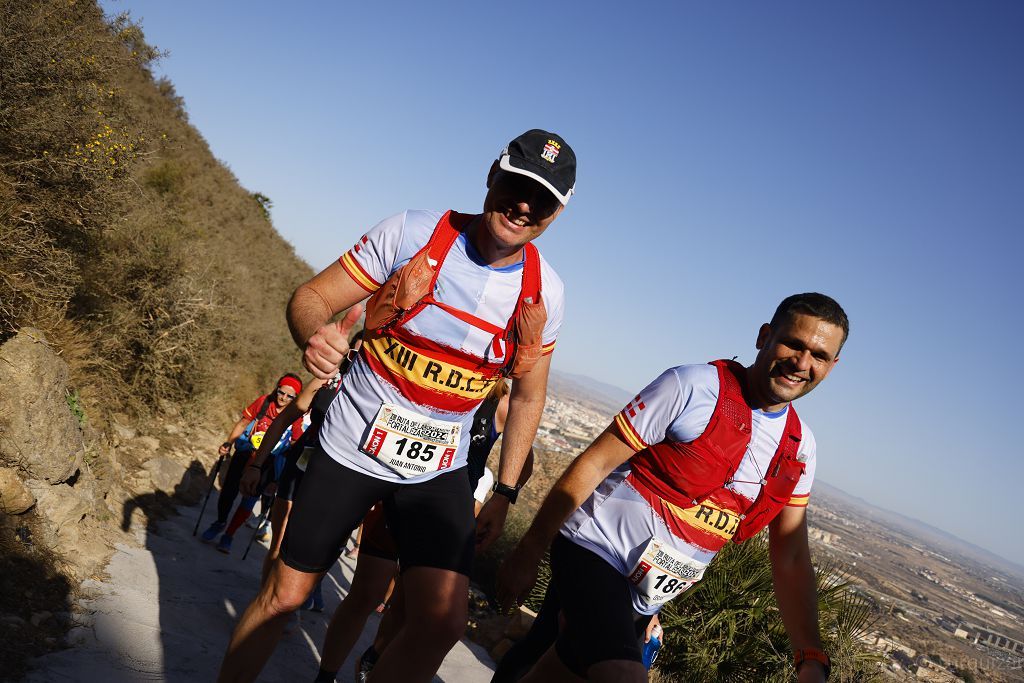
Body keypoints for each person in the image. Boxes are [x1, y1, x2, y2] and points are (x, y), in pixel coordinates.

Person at [217, 129, 575, 683]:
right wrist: (316, 336)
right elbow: (311, 299)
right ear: (492, 175)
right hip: (353, 442)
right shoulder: (412, 231)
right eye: (517, 184)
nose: (524, 205)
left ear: (556, 214)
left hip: (440, 466)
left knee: (442, 620)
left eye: (543, 200)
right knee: (286, 595)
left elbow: (529, 394)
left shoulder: (544, 292)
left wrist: (505, 491)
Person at [497, 293, 849, 683]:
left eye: (818, 355)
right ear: (764, 336)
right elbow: (596, 461)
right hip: (595, 550)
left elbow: (792, 557)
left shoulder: (801, 445)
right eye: (793, 344)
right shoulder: (694, 386)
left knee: (552, 667)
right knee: (622, 675)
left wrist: (810, 656)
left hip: (646, 593)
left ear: (831, 367)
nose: (801, 363)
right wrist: (529, 551)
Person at [200, 374, 305, 551]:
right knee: (228, 492)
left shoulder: (295, 415)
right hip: (246, 453)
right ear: (276, 389)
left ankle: (229, 535)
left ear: (296, 398)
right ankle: (220, 522)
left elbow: (296, 442)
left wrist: (284, 473)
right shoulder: (264, 402)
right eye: (281, 392)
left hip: (268, 462)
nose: (283, 398)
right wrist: (228, 442)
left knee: (249, 500)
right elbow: (243, 423)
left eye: (290, 396)